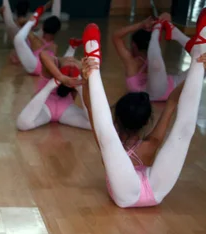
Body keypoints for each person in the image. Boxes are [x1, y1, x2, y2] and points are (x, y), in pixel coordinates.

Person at [81, 16, 206, 208]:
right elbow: (172, 101)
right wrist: (196, 72)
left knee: (107, 135)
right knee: (183, 131)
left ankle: (93, 68)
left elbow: (91, 107)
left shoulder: (113, 143)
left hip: (129, 196)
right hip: (157, 191)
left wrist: (85, 80)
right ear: (147, 120)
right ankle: (199, 59)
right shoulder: (152, 143)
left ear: (117, 117)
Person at [112, 13, 191, 100]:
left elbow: (116, 36)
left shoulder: (132, 62)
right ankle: (169, 32)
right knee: (202, 64)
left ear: (134, 45)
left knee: (156, 64)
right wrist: (164, 20)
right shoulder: (148, 57)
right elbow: (166, 14)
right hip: (172, 88)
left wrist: (140, 25)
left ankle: (156, 32)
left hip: (156, 93)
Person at [17, 50, 91, 130]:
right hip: (45, 105)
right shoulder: (54, 63)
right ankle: (51, 85)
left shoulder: (81, 68)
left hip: (66, 109)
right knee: (23, 124)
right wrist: (60, 77)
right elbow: (43, 54)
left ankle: (72, 85)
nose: (71, 62)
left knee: (95, 125)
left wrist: (80, 84)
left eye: (73, 64)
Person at [14, 3, 80, 75]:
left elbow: (19, 22)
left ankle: (72, 48)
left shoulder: (34, 39)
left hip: (34, 67)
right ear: (57, 32)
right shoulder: (54, 47)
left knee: (18, 39)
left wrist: (31, 21)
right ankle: (72, 48)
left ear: (42, 27)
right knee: (63, 61)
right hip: (46, 70)